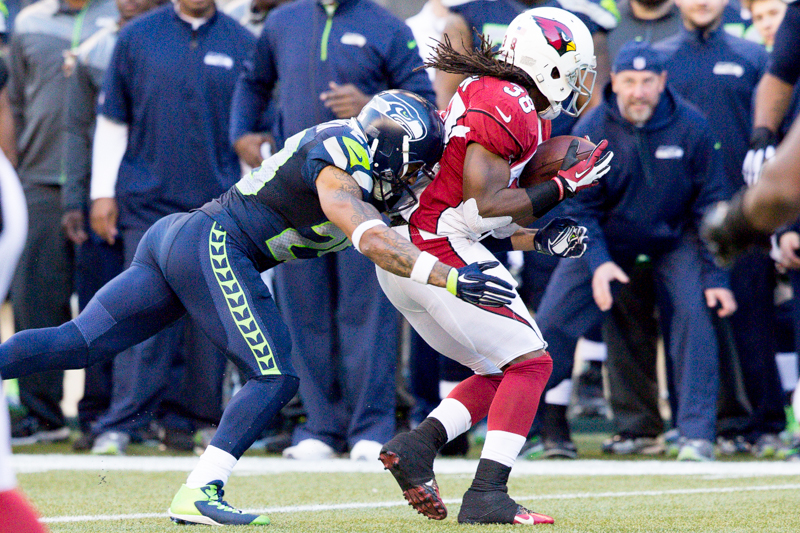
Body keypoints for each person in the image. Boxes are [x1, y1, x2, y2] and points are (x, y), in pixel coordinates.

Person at [0, 89, 522, 526]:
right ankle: (201, 491)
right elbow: (372, 240)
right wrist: (450, 278)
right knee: (274, 376)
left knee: (80, 342)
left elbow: (453, 225)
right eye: (415, 167)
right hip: (212, 242)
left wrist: (537, 234)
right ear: (392, 152)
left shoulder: (373, 166)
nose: (418, 179)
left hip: (182, 237)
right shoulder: (339, 156)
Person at [376, 8, 612, 524]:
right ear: (545, 61)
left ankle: (417, 448)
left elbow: (484, 212)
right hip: (435, 246)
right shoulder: (510, 101)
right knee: (533, 363)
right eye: (574, 69)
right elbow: (485, 203)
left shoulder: (503, 97)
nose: (579, 82)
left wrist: (537, 240)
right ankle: (487, 493)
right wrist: (563, 186)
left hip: (419, 246)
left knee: (498, 369)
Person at [230, 0, 437, 462]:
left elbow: (424, 103)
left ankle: (371, 424)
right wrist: (242, 132)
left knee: (368, 313)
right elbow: (253, 81)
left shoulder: (387, 26)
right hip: (294, 198)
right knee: (304, 312)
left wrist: (370, 106)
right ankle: (320, 427)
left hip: (364, 194)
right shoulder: (283, 21)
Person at [535, 40, 736, 462]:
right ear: (616, 83)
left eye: (647, 81)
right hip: (606, 239)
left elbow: (711, 206)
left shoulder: (693, 126)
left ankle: (697, 434)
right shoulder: (592, 128)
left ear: (662, 82)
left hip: (674, 241)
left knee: (695, 312)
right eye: (629, 81)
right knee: (549, 322)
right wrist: (599, 263)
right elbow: (580, 209)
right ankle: (537, 431)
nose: (638, 91)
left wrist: (716, 278)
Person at [85, 0, 255, 454]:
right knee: (139, 313)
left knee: (210, 323)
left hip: (219, 208)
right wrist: (102, 192)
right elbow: (111, 120)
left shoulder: (243, 44)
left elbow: (250, 133)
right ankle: (121, 424)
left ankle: (196, 423)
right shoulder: (136, 36)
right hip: (146, 203)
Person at [658, 0, 787, 455]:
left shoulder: (756, 60)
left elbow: (781, 132)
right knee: (686, 320)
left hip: (744, 216)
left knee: (753, 320)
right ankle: (696, 425)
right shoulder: (660, 60)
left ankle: (765, 425)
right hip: (681, 221)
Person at [6, 0, 118, 446]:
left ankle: (103, 415)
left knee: (105, 306)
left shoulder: (120, 16)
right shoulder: (29, 22)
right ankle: (41, 415)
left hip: (103, 190)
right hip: (38, 180)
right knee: (36, 302)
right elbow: (13, 103)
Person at [61, 0, 166, 451]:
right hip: (114, 201)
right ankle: (101, 416)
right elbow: (85, 129)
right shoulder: (97, 47)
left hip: (165, 194)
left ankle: (154, 418)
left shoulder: (183, 38)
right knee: (105, 308)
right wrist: (83, 196)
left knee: (154, 313)